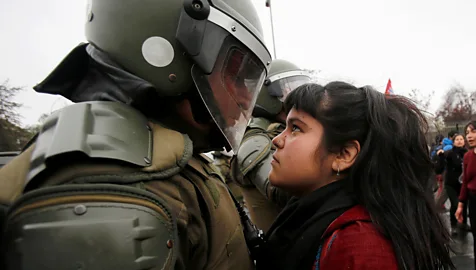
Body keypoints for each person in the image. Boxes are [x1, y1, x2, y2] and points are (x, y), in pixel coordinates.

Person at [0, 0, 272, 269]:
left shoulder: (169, 151)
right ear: (169, 54)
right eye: (235, 75)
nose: (245, 95)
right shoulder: (110, 183)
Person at [255, 82, 453, 270]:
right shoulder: (310, 214)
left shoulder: (359, 247)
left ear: (344, 155)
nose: (277, 140)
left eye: (296, 128)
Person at [228, 59, 311, 231]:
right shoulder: (254, 141)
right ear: (267, 94)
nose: (296, 97)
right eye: (287, 90)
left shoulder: (283, 130)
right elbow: (283, 191)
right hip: (284, 250)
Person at [456, 120, 476, 269]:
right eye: (467, 133)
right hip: (475, 203)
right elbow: (465, 181)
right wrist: (460, 204)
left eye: (473, 132)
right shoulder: (468, 157)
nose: (469, 136)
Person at [438, 134, 469, 234]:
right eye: (457, 139)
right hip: (451, 183)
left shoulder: (467, 153)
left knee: (463, 204)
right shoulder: (449, 153)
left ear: (464, 141)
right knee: (455, 204)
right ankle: (454, 224)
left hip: (463, 184)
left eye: (461, 139)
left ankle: (463, 223)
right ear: (453, 141)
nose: (459, 141)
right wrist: (441, 156)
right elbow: (439, 166)